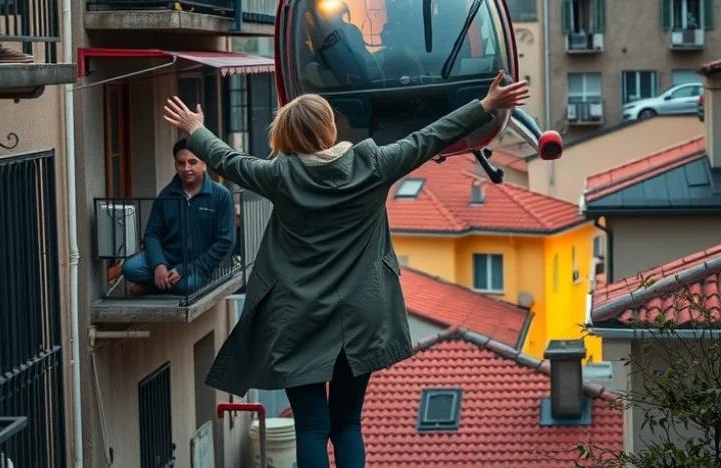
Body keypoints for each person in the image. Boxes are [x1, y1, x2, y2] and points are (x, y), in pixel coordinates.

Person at [162, 70, 528, 468]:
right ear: (328, 128)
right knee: (348, 424)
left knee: (311, 428)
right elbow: (429, 138)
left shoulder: (280, 175)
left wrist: (196, 129)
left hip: (297, 319)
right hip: (361, 317)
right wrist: (486, 105)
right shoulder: (372, 163)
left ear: (287, 135)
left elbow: (228, 160)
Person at [121, 139, 235, 297]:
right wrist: (158, 265)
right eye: (181, 163)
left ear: (204, 164)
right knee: (129, 269)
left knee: (185, 287)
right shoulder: (166, 195)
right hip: (168, 258)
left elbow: (225, 241)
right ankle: (162, 280)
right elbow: (152, 234)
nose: (186, 168)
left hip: (199, 264)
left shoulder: (221, 195)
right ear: (175, 165)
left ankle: (151, 287)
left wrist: (184, 269)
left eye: (192, 162)